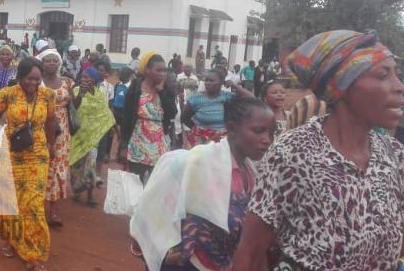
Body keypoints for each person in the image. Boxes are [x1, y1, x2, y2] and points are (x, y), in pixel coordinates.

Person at [234, 30, 404, 271]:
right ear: (341, 86)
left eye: (397, 75)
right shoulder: (295, 153)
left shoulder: (393, 155)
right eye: (383, 75)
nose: (399, 87)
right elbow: (250, 253)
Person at [132, 97, 275, 271]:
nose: (267, 140)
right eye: (259, 131)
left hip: (221, 263)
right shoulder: (200, 161)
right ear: (232, 129)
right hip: (186, 264)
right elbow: (152, 201)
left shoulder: (252, 172)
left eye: (271, 133)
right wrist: (161, 247)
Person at [0, 57, 56, 271]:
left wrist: (52, 145)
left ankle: (34, 254)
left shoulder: (47, 95)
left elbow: (51, 120)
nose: (34, 84)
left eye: (37, 79)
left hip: (37, 154)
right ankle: (11, 240)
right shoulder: (6, 94)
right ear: (20, 77)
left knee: (34, 204)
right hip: (11, 154)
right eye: (29, 79)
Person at [120, 52, 178, 183]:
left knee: (155, 184)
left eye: (164, 70)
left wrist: (161, 91)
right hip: (137, 141)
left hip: (159, 143)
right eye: (158, 70)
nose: (163, 74)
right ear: (147, 70)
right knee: (135, 183)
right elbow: (127, 116)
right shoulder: (136, 86)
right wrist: (123, 145)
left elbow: (172, 113)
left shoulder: (167, 89)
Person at [37, 49, 74, 228]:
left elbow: (73, 105)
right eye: (47, 60)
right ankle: (37, 206)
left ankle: (54, 209)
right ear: (42, 63)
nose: (51, 63)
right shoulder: (36, 82)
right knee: (41, 165)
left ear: (59, 63)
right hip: (41, 126)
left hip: (63, 131)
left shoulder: (66, 82)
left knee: (58, 167)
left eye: (54, 60)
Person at [69, 67, 115, 206]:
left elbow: (104, 113)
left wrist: (111, 128)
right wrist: (81, 95)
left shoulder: (101, 95)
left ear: (94, 79)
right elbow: (73, 109)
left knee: (91, 165)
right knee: (76, 164)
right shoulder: (76, 91)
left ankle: (90, 195)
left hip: (93, 136)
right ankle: (76, 190)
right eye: (83, 77)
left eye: (88, 77)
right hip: (78, 134)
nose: (84, 79)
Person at [181, 68, 253, 149]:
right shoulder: (195, 99)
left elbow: (251, 99)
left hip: (222, 143)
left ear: (221, 83)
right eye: (206, 80)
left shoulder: (227, 97)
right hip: (201, 142)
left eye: (211, 81)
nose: (207, 83)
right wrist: (199, 130)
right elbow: (184, 118)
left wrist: (235, 86)